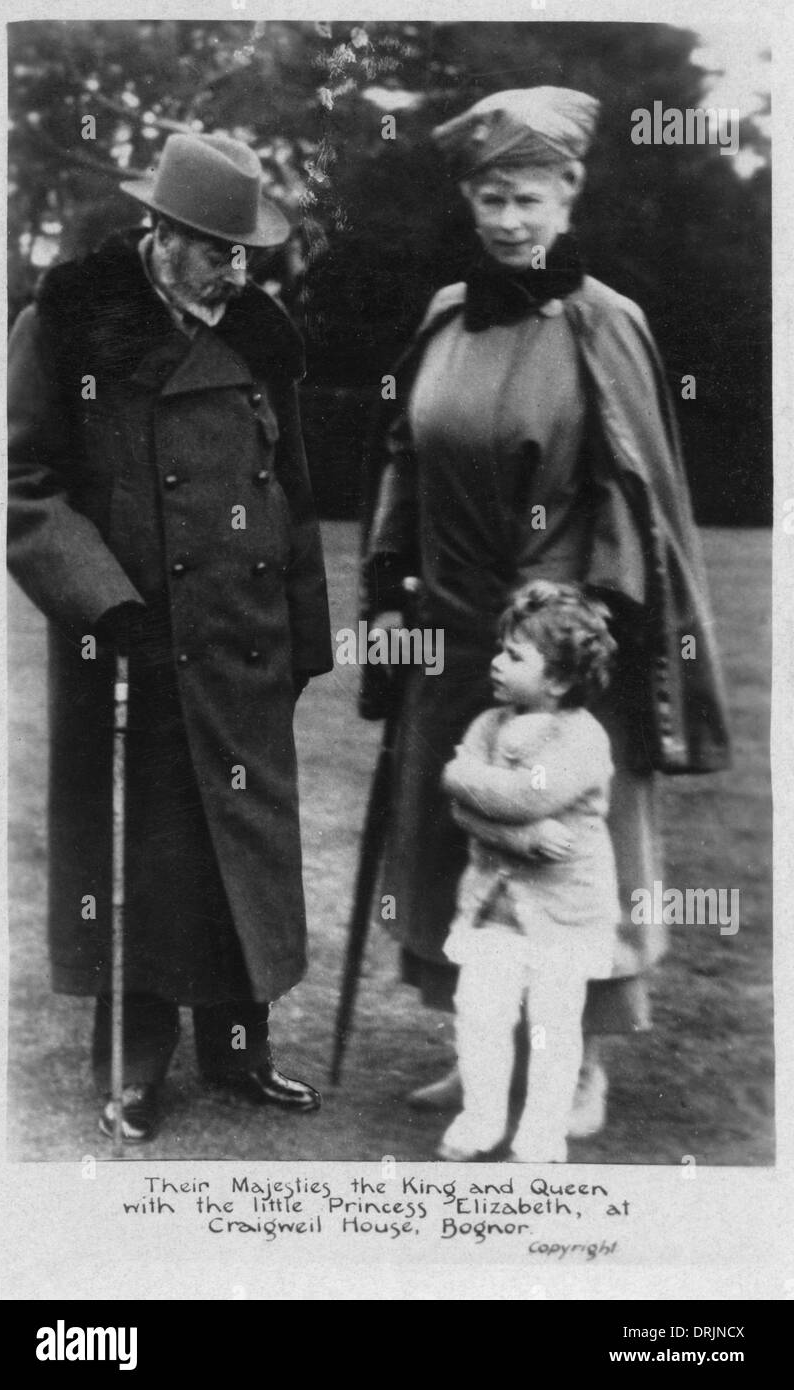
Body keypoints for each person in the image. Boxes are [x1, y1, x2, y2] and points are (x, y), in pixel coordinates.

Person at [359, 87, 730, 1134]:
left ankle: (576, 1065)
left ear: (569, 194)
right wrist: (391, 590)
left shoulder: (607, 324)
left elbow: (632, 491)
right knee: (454, 826)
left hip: (563, 636)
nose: (507, 219)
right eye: (488, 197)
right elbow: (401, 461)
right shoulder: (444, 314)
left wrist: (576, 624)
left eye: (526, 197)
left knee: (567, 837)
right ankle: (476, 1042)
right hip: (454, 617)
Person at [8, 132, 332, 1143]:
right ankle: (133, 1065)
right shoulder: (70, 325)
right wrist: (107, 603)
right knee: (141, 852)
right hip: (130, 640)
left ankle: (240, 1052)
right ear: (160, 232)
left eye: (243, 252)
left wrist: (306, 636)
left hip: (244, 638)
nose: (233, 269)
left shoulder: (262, 336)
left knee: (241, 842)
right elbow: (21, 485)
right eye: (211, 249)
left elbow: (295, 491)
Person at [438, 581, 619, 1163]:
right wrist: (516, 834)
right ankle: (481, 1118)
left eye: (514, 655)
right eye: (500, 649)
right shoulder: (489, 724)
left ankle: (542, 1133)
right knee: (481, 1013)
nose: (496, 662)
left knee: (552, 1025)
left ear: (560, 679)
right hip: (493, 909)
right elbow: (461, 803)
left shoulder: (582, 739)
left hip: (564, 915)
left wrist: (464, 782)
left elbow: (521, 796)